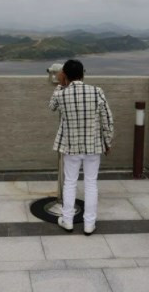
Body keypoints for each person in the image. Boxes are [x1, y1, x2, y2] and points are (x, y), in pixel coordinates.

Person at [49, 59, 114, 235]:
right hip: (93, 145)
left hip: (71, 146)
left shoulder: (61, 93)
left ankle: (67, 221)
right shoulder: (97, 91)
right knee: (91, 183)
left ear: (65, 74)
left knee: (70, 183)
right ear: (83, 74)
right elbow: (107, 120)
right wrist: (107, 142)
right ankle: (89, 224)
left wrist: (60, 85)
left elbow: (52, 107)